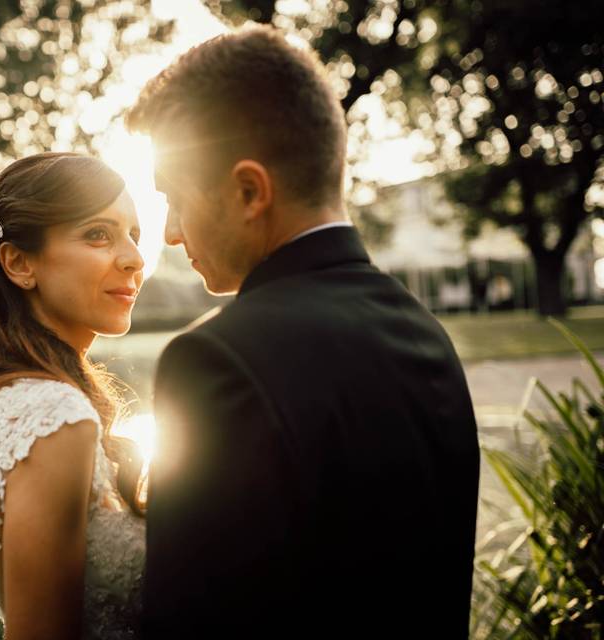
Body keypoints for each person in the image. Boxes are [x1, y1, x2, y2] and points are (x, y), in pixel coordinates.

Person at [125, 25, 481, 638]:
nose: (172, 235)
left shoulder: (217, 360)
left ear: (248, 191)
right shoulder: (425, 335)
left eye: (173, 199)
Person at [0, 152, 147, 639]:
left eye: (135, 233)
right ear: (19, 263)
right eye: (98, 234)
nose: (134, 257)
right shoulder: (54, 416)